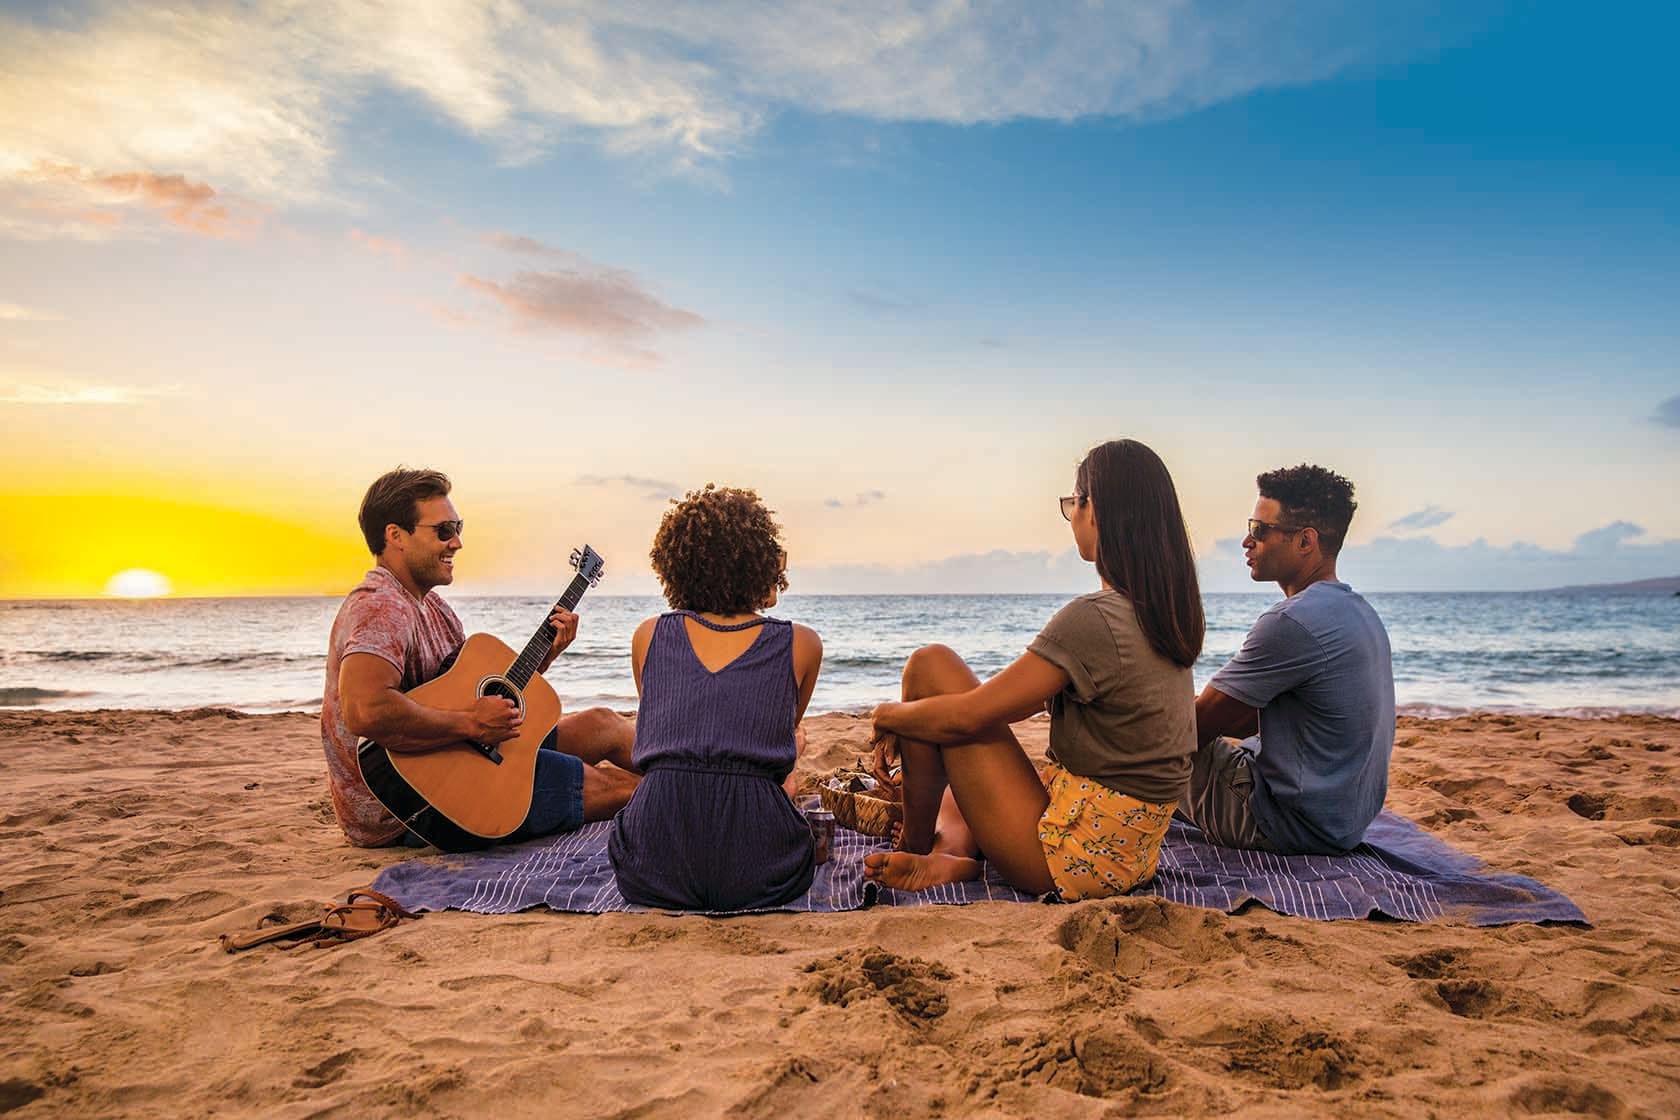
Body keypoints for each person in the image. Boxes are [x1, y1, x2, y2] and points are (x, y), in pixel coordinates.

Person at [863, 439, 1203, 900]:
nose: (1072, 517)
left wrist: (886, 716)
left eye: (1073, 503)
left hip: (1065, 862)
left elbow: (967, 717)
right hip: (1127, 857)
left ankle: (915, 844)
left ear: (1095, 510)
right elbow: (1013, 705)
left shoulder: (1095, 618)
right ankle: (950, 857)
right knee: (952, 783)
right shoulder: (1160, 614)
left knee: (929, 667)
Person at [321, 467, 639, 848]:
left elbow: (463, 692)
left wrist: (545, 658)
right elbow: (365, 710)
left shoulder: (434, 609)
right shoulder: (380, 606)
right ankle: (701, 801)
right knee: (619, 787)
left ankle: (701, 774)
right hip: (409, 806)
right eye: (443, 531)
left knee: (603, 723)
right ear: (396, 536)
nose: (456, 542)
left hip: (457, 760)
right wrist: (471, 723)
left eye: (458, 528)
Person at [608, 484, 824, 910]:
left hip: (653, 865)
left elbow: (667, 726)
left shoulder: (649, 635)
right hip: (758, 872)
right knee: (788, 766)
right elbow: (780, 729)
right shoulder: (802, 643)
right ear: (761, 564)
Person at [1182, 464, 1394, 854]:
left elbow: (1189, 731)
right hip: (1341, 822)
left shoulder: (1291, 622)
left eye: (1260, 530)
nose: (1247, 542)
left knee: (1146, 738)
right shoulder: (1358, 611)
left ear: (1305, 541)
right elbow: (1252, 715)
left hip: (1285, 824)